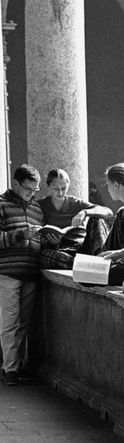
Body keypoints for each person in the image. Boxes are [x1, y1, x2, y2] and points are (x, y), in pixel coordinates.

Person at [0, 164, 44, 386]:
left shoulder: (36, 208)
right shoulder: (1, 205)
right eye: (28, 189)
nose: (31, 194)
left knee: (24, 323)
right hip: (8, 273)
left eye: (34, 190)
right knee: (10, 322)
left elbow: (38, 239)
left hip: (30, 273)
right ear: (15, 183)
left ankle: (17, 365)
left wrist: (46, 239)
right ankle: (10, 369)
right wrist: (22, 234)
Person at [38, 168, 112, 268]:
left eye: (63, 188)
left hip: (82, 247)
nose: (60, 192)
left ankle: (98, 262)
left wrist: (84, 212)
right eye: (55, 188)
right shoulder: (41, 204)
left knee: (97, 219)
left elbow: (108, 212)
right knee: (45, 255)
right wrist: (54, 243)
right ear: (48, 187)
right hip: (62, 251)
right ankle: (88, 266)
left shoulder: (75, 203)